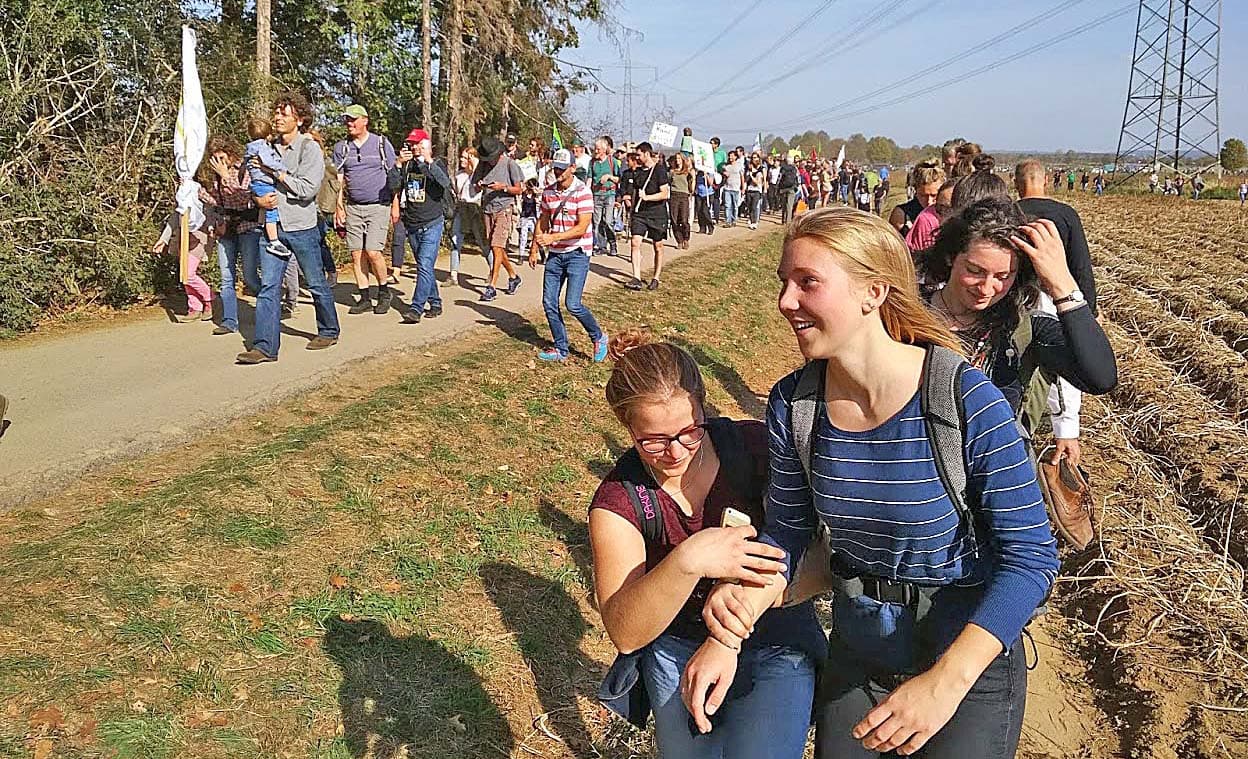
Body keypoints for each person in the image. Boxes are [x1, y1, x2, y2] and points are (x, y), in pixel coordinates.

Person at [701, 206, 1061, 759]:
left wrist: (943, 685)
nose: (786, 301)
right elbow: (789, 533)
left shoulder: (964, 399)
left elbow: (1031, 558)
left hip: (965, 659)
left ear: (873, 291)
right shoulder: (795, 404)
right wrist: (736, 621)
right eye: (784, 282)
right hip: (861, 649)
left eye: (808, 282)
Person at [590, 330, 823, 758]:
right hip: (677, 650)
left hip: (776, 641)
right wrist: (687, 560)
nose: (676, 452)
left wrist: (734, 621)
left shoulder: (753, 449)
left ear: (703, 405)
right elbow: (625, 632)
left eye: (689, 431)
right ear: (627, 427)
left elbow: (822, 560)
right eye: (653, 440)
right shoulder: (619, 502)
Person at [237, 92, 340, 364]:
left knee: (315, 282)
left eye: (284, 113)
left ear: (300, 119)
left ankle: (328, 330)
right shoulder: (265, 147)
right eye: (276, 112)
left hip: (302, 227)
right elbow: (252, 183)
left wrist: (277, 174)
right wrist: (257, 199)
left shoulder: (309, 149)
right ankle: (264, 347)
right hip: (271, 225)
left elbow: (307, 190)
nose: (278, 117)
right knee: (269, 287)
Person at [526, 148, 609, 363]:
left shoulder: (583, 192)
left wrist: (554, 237)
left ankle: (598, 337)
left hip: (577, 253)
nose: (558, 172)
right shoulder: (548, 192)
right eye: (556, 168)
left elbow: (582, 227)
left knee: (573, 304)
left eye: (563, 168)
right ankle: (561, 347)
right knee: (549, 302)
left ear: (573, 168)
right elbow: (543, 220)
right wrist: (534, 248)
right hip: (555, 255)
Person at [332, 104, 398, 316]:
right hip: (353, 207)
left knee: (373, 251)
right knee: (356, 253)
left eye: (353, 119)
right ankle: (364, 297)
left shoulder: (381, 144)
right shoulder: (342, 148)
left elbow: (393, 177)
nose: (349, 123)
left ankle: (384, 292)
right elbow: (338, 179)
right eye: (347, 120)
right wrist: (338, 207)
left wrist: (395, 204)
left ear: (365, 120)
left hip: (379, 205)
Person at [200, 135, 261, 336]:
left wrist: (226, 177)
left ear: (230, 153)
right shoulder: (214, 175)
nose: (219, 162)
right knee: (226, 278)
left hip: (248, 227)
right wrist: (199, 192)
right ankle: (229, 321)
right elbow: (216, 202)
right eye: (215, 158)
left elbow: (245, 198)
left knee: (250, 276)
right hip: (226, 229)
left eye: (222, 157)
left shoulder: (245, 169)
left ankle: (269, 306)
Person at [389, 127, 450, 325]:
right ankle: (435, 302)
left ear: (426, 145)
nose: (413, 147)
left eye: (417, 144)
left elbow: (445, 183)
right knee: (425, 267)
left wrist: (428, 161)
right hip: (413, 223)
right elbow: (393, 186)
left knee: (424, 265)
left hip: (432, 223)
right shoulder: (407, 165)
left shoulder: (436, 164)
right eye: (411, 144)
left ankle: (416, 308)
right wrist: (398, 164)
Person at [473, 136, 525, 302]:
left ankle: (492, 286)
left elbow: (519, 189)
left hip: (504, 208)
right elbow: (474, 186)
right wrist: (479, 185)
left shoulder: (510, 164)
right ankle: (513, 276)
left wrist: (503, 187)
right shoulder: (482, 165)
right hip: (487, 209)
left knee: (497, 246)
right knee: (497, 248)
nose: (489, 161)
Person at [151, 205, 214, 323]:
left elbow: (210, 213)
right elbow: (174, 220)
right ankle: (195, 307)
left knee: (188, 274)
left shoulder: (202, 198)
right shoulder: (181, 199)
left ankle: (208, 299)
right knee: (184, 274)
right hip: (183, 239)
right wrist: (163, 240)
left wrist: (211, 227)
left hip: (199, 240)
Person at [243, 118, 293, 258]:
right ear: (267, 135)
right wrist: (283, 168)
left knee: (265, 208)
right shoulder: (262, 147)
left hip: (257, 182)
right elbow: (268, 162)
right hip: (264, 183)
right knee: (272, 210)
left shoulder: (250, 148)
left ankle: (262, 225)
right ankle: (274, 241)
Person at [626, 142, 670, 292]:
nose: (637, 158)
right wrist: (629, 205)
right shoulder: (637, 172)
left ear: (646, 154)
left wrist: (647, 197)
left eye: (639, 155)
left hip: (657, 213)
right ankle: (636, 277)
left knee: (658, 246)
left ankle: (656, 277)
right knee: (635, 242)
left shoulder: (659, 170)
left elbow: (665, 194)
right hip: (640, 213)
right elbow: (634, 191)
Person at [450, 147, 487, 287]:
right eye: (462, 157)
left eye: (466, 157)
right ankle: (453, 274)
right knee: (455, 239)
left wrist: (475, 163)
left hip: (474, 209)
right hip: (461, 208)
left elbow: (477, 188)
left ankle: (492, 270)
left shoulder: (477, 175)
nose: (462, 160)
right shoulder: (459, 175)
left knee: (482, 242)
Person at [889, 160, 944, 238]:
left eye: (934, 195)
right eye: (923, 196)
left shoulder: (948, 213)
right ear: (915, 190)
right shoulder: (901, 215)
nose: (929, 201)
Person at [591, 136, 622, 257]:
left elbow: (619, 179)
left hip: (609, 194)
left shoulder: (612, 162)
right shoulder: (592, 163)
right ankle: (601, 246)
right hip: (596, 194)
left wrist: (609, 177)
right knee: (597, 222)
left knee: (608, 221)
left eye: (598, 149)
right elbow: (589, 178)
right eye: (595, 149)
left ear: (604, 150)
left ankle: (613, 243)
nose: (596, 151)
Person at [668, 153, 694, 249]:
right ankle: (679, 240)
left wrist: (693, 178)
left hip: (684, 196)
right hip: (674, 196)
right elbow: (668, 182)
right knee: (674, 220)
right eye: (676, 158)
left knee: (684, 219)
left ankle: (686, 238)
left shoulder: (687, 172)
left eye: (679, 158)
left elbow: (691, 186)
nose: (677, 160)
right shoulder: (672, 172)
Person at [517, 178, 540, 262]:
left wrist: (537, 197)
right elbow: (519, 202)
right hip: (524, 218)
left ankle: (542, 254)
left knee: (537, 237)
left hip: (533, 218)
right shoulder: (523, 195)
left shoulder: (536, 196)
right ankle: (521, 256)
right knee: (523, 237)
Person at [721, 150, 743, 228]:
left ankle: (734, 220)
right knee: (727, 205)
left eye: (732, 156)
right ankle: (728, 221)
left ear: (736, 157)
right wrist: (724, 173)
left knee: (735, 206)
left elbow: (742, 176)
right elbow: (723, 174)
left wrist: (743, 187)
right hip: (727, 188)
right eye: (729, 156)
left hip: (736, 188)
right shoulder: (726, 166)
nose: (730, 157)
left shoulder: (739, 165)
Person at [744, 154, 766, 229]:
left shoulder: (760, 171)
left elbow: (757, 182)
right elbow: (746, 180)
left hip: (756, 191)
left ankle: (754, 222)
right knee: (749, 206)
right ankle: (751, 219)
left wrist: (751, 176)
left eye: (755, 158)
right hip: (749, 190)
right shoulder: (748, 171)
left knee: (754, 206)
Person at [776, 155, 800, 224]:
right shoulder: (795, 168)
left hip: (783, 188)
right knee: (789, 205)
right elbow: (798, 178)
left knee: (783, 204)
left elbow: (779, 178)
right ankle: (788, 221)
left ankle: (783, 220)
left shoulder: (782, 168)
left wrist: (777, 187)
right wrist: (797, 186)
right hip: (792, 188)